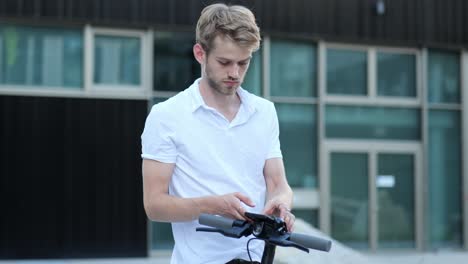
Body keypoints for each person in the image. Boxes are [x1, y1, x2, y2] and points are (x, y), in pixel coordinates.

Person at [141, 3, 294, 264]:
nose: (234, 73)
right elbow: (154, 205)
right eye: (224, 62)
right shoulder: (166, 116)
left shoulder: (265, 112)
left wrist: (281, 202)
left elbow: (278, 184)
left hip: (258, 259)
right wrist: (213, 205)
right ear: (200, 53)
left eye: (243, 63)